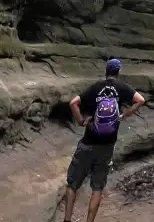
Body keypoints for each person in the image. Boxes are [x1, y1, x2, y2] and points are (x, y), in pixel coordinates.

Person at [60, 58, 144, 222]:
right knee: (97, 188)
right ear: (118, 72)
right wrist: (123, 115)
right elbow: (141, 100)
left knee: (73, 184)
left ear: (106, 71)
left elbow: (73, 103)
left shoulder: (96, 87)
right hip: (107, 146)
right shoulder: (122, 88)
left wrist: (81, 121)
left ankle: (67, 220)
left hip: (88, 142)